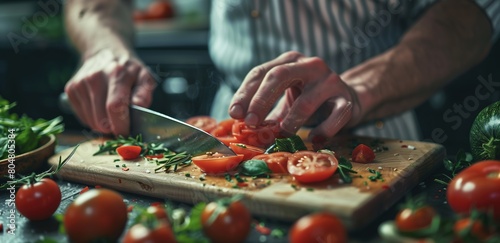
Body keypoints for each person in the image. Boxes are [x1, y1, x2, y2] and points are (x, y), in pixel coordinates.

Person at [63, 0, 499, 144]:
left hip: (371, 122)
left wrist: (361, 87)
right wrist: (103, 47)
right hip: (229, 129)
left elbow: (472, 14)